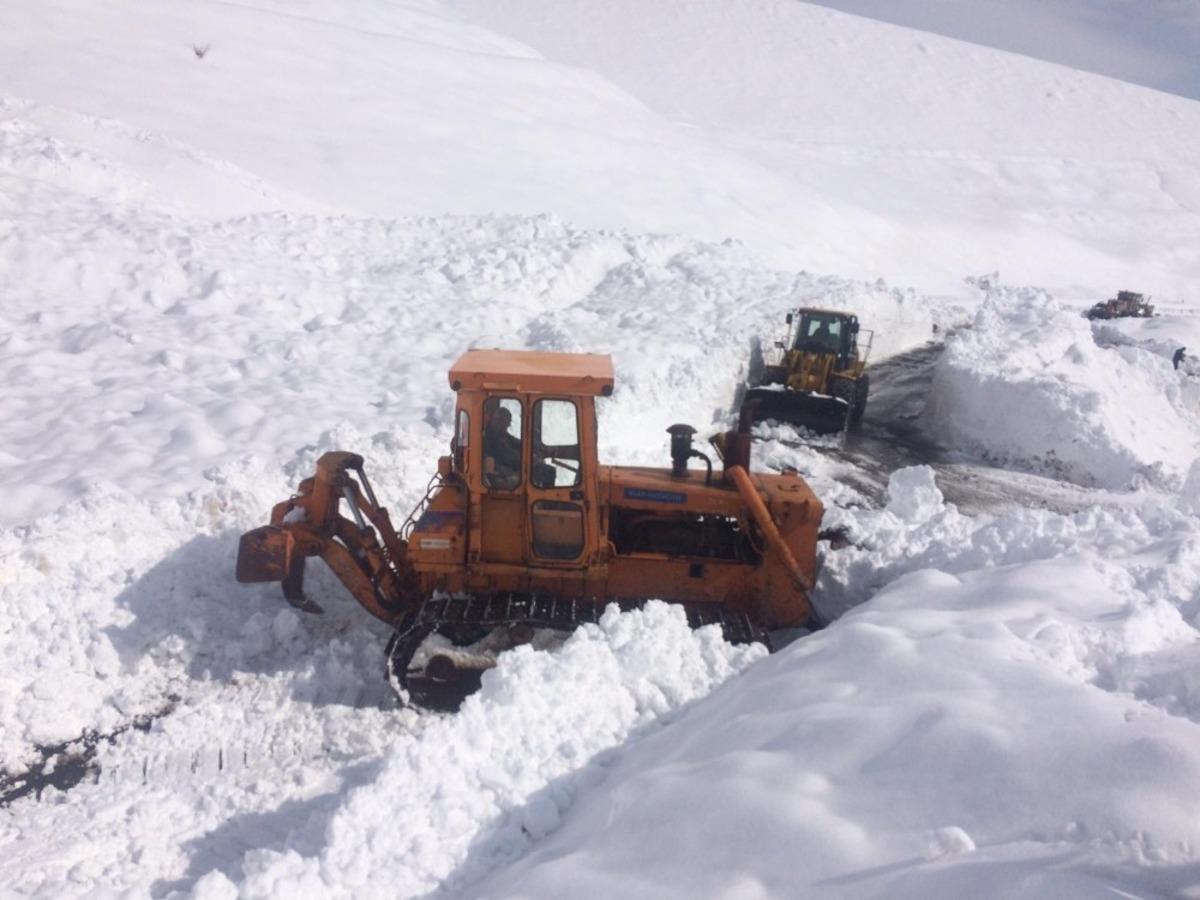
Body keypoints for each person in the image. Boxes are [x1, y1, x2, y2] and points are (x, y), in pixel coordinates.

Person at [484, 405, 521, 488]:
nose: (508, 426)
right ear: (498, 421)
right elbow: (485, 461)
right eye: (506, 423)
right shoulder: (485, 437)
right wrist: (506, 471)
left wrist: (534, 447)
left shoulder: (501, 434)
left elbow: (516, 442)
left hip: (508, 468)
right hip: (496, 475)